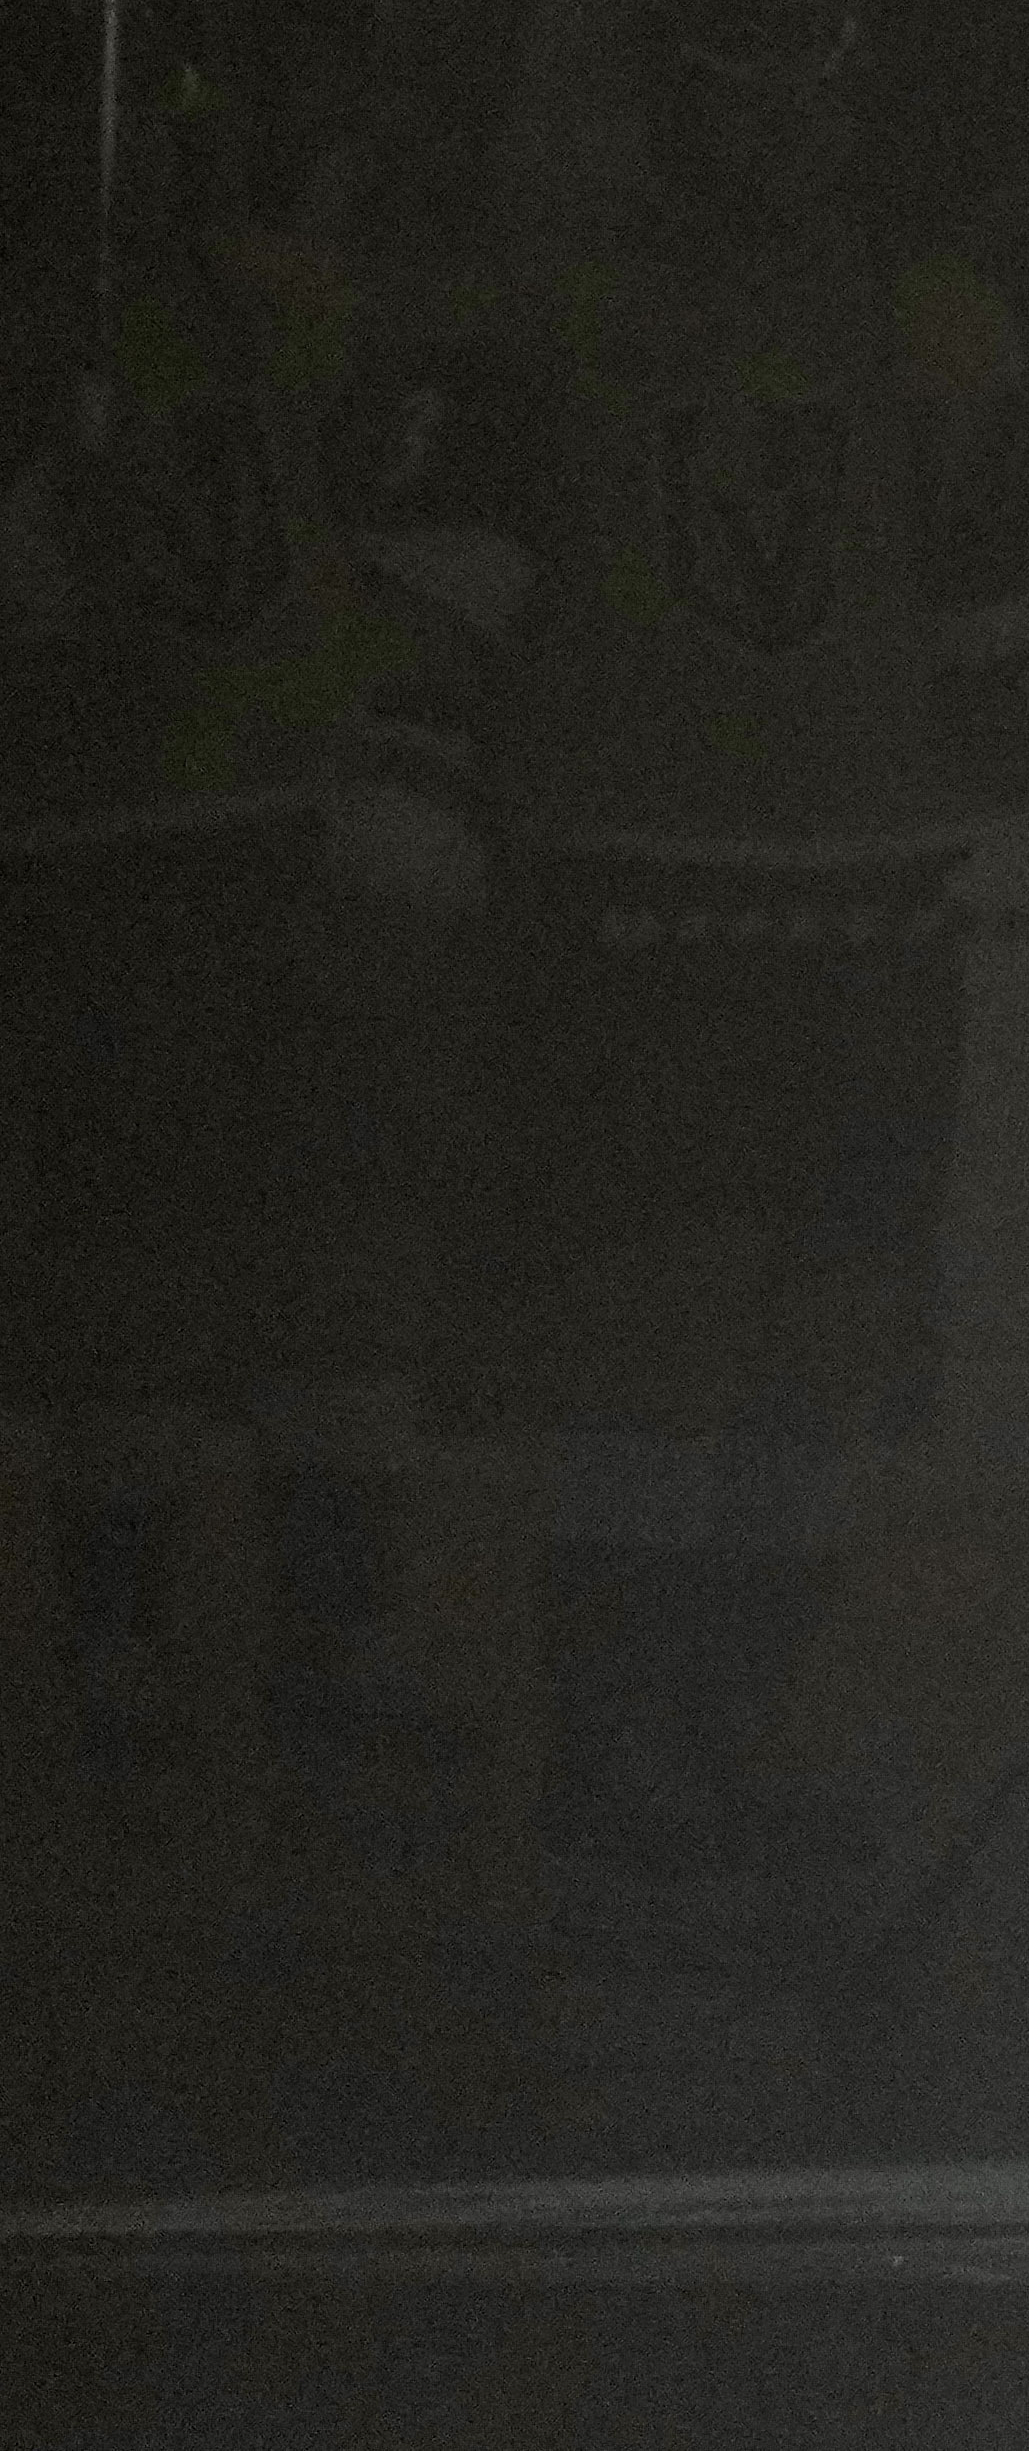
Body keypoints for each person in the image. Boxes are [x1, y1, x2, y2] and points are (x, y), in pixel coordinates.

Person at [384, 0, 1029, 1951]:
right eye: (740, 81)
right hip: (631, 903)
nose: (784, 120)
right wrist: (408, 772)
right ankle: (611, 1758)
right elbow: (442, 582)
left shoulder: (930, 322)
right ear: (671, 98)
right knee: (651, 1346)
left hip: (867, 911)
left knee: (825, 1353)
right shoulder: (557, 308)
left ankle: (728, 1736)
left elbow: (1003, 610)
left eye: (820, 80)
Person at [3, 98, 491, 1828]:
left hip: (292, 833)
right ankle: (125, 1647)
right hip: (106, 861)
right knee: (134, 1281)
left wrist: (402, 773)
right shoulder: (63, 343)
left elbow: (411, 547)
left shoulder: (300, 318)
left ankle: (326, 1639)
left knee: (335, 1257)